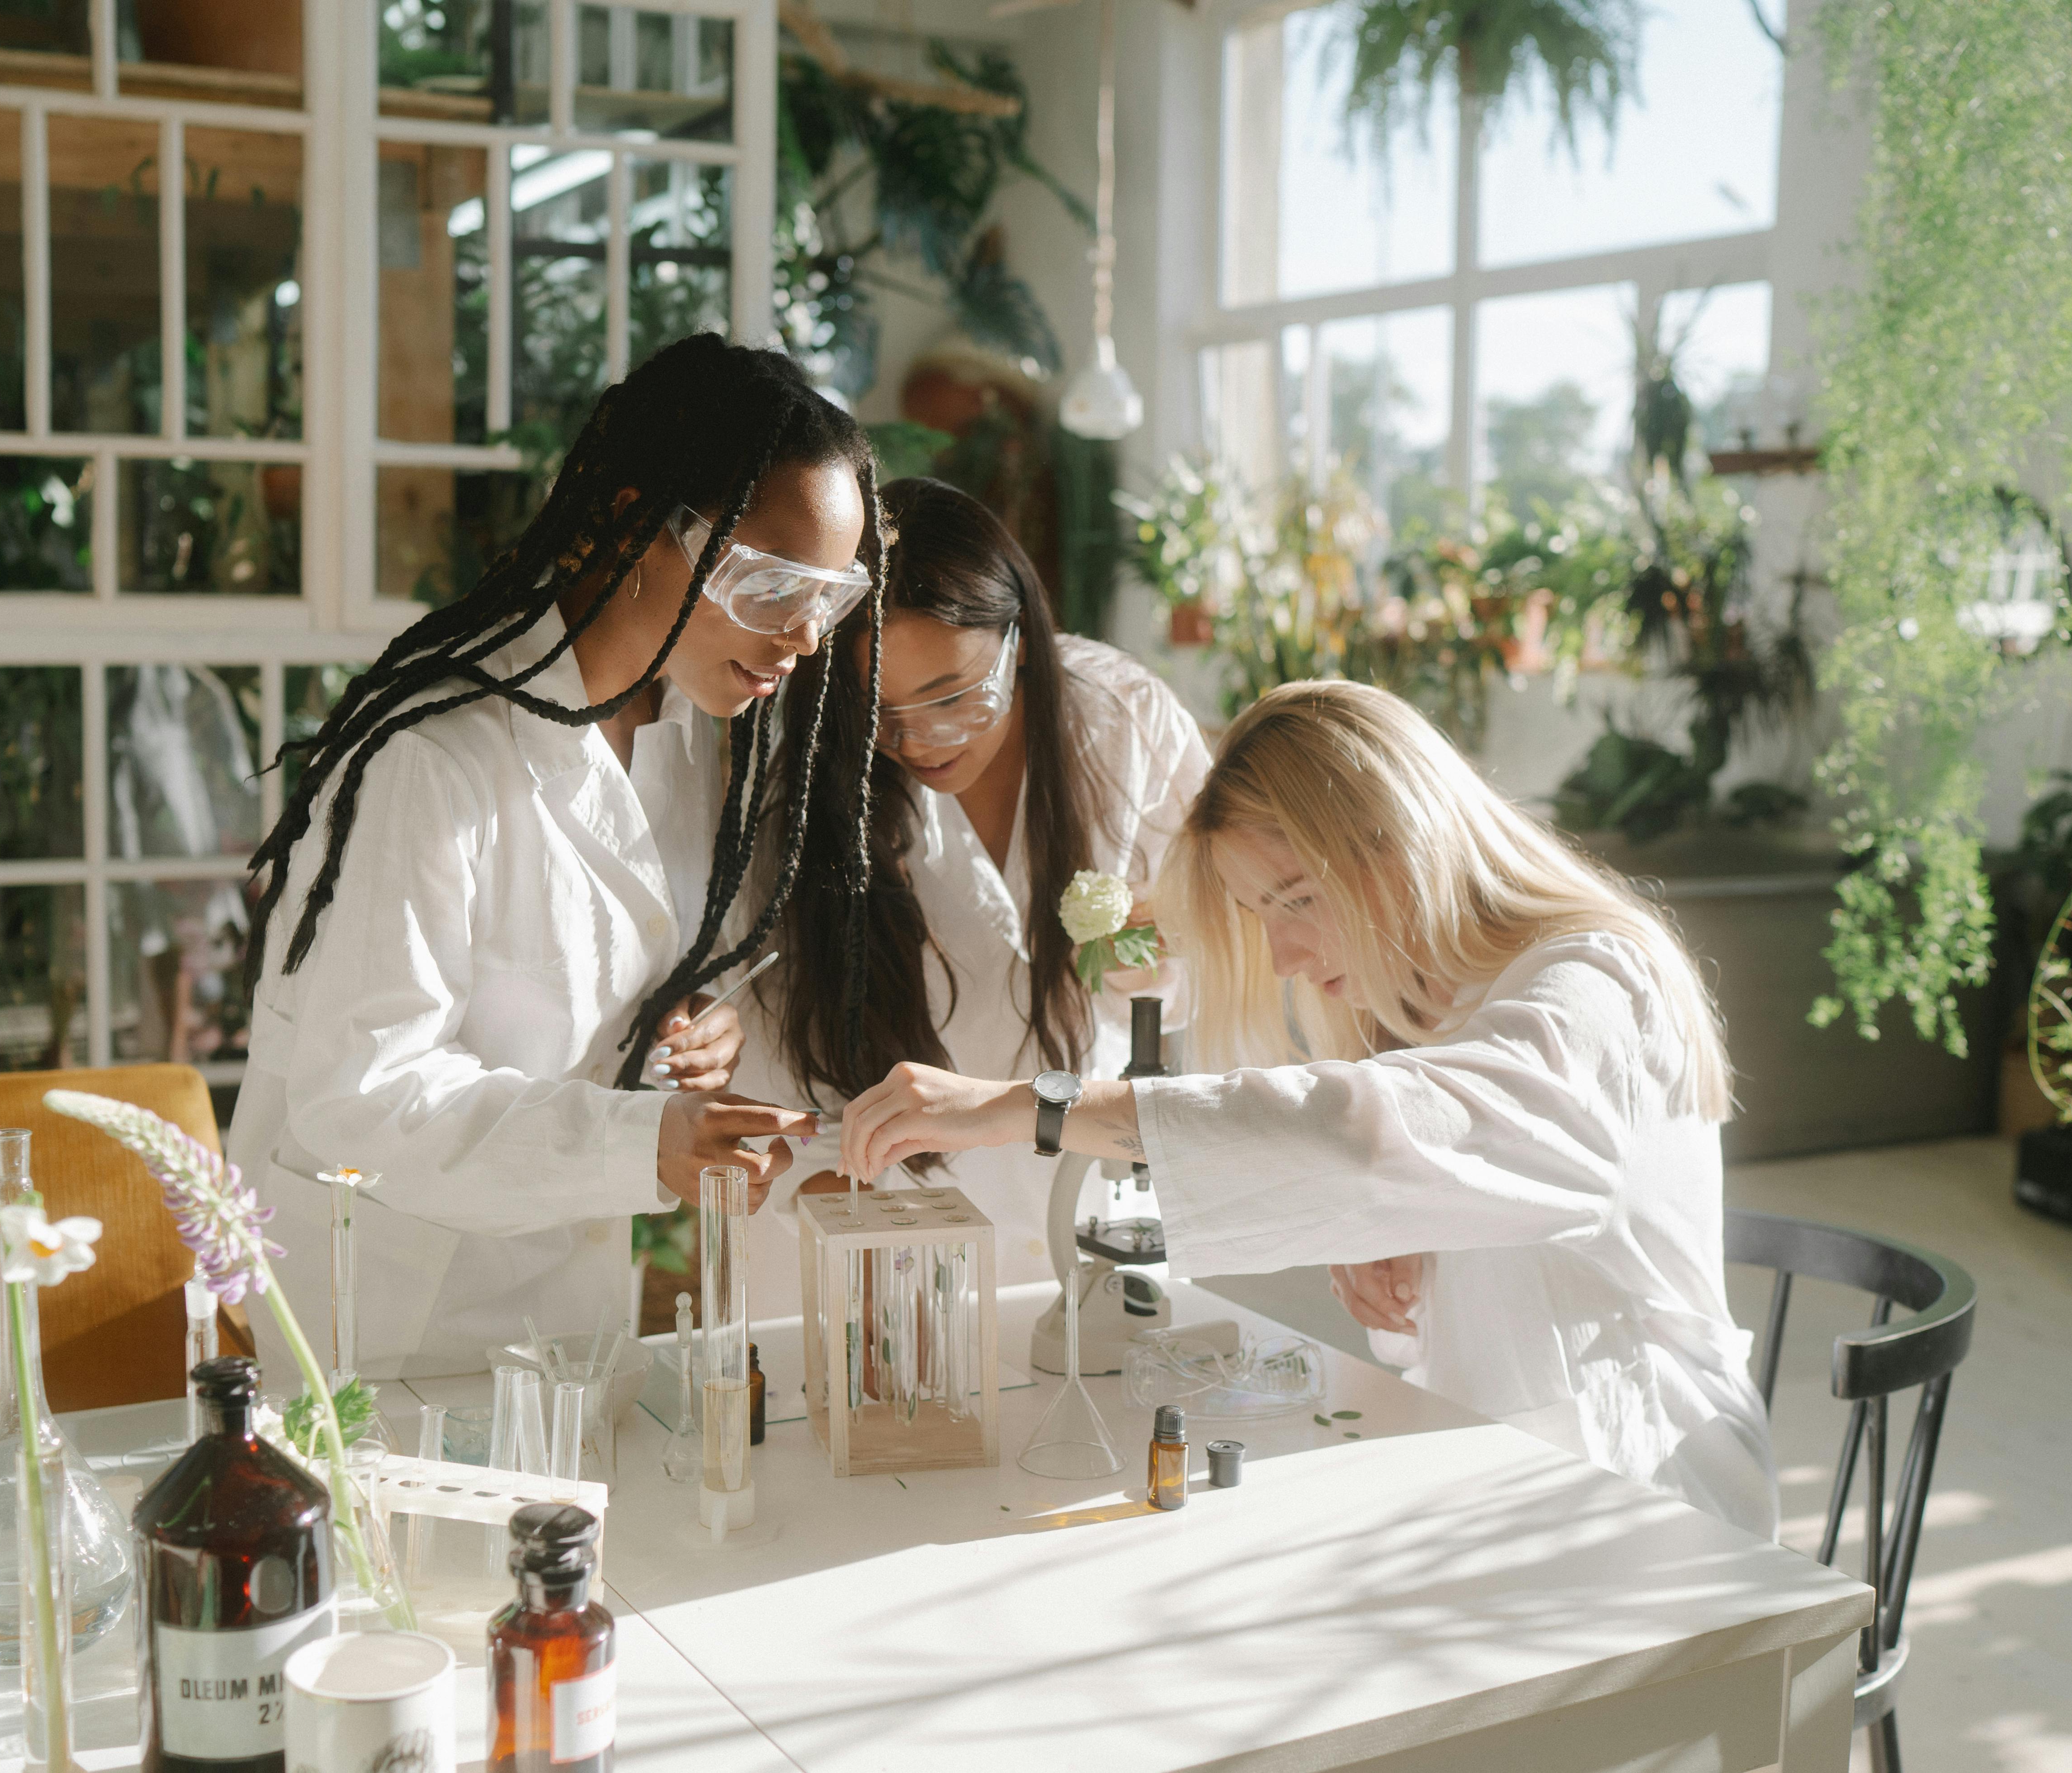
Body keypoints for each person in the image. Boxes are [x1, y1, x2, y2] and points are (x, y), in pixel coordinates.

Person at [835, 679, 1780, 1535]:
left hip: (1650, 1503)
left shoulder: (1597, 985)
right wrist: (1409, 1258)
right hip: (1502, 1474)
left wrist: (1029, 1106)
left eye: (1294, 899)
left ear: (1398, 838)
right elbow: (1445, 1184)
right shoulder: (1448, 1008)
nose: (1285, 957)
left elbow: (1368, 1132)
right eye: (1263, 915)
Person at [230, 335, 883, 1380]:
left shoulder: (680, 732)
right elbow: (361, 1094)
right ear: (632, 523)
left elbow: (602, 968)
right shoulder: (429, 759)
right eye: (771, 585)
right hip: (386, 1326)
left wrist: (688, 1031)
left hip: (559, 1310)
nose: (805, 636)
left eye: (830, 597)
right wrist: (643, 1143)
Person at [732, 478, 1209, 1297]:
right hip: (880, 1242)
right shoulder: (809, 774)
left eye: (955, 696)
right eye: (884, 714)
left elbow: (1226, 959)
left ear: (1019, 639)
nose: (923, 741)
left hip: (1085, 1211)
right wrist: (853, 1231)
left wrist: (1154, 966)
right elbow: (776, 1062)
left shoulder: (1123, 719)